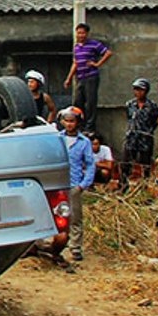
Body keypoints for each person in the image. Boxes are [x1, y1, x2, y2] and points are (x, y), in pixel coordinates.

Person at [58, 107, 95, 262]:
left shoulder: (84, 142)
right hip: (58, 184)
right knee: (57, 215)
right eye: (66, 121)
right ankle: (55, 245)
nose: (69, 124)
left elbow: (90, 164)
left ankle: (75, 247)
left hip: (74, 185)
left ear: (78, 123)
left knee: (75, 218)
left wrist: (83, 185)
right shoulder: (57, 138)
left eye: (72, 121)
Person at [63, 22, 112, 132]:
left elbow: (108, 53)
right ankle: (79, 124)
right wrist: (69, 78)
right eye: (78, 33)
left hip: (91, 77)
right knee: (78, 102)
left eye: (82, 33)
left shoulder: (94, 44)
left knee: (90, 103)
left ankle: (90, 128)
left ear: (87, 34)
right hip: (80, 77)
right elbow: (75, 63)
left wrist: (97, 64)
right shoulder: (76, 47)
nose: (80, 35)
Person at [120, 77, 158, 190]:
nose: (138, 92)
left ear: (146, 91)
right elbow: (129, 118)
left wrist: (149, 130)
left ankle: (144, 188)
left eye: (141, 90)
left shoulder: (152, 106)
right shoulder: (130, 104)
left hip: (145, 139)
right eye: (136, 89)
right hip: (131, 138)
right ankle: (124, 186)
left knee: (145, 165)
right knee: (125, 163)